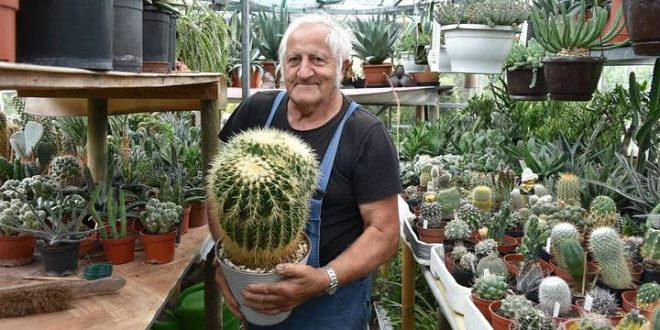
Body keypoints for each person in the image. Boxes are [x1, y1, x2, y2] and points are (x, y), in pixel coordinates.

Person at [211, 14, 401, 330]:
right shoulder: (255, 111)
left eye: (318, 60)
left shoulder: (365, 134)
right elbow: (219, 195)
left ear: (342, 68)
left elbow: (385, 233)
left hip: (331, 307)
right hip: (257, 299)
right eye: (294, 59)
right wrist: (225, 262)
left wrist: (323, 278)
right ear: (282, 66)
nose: (304, 71)